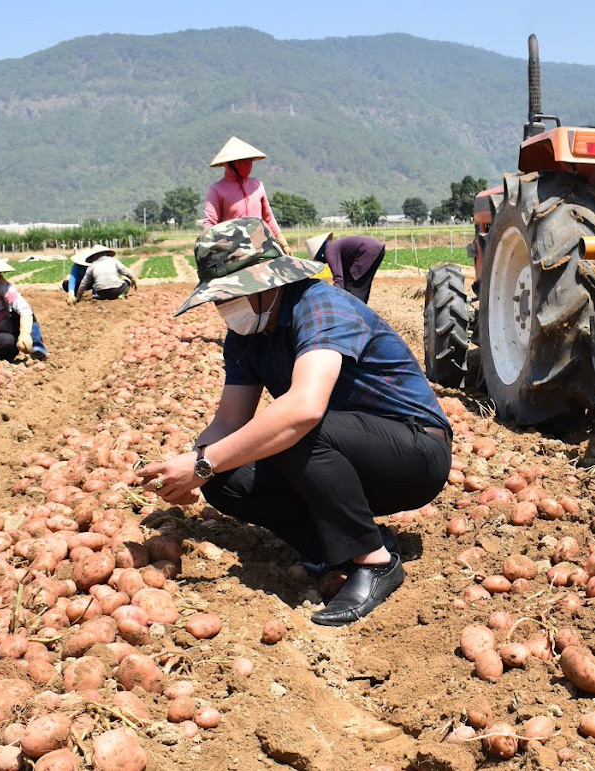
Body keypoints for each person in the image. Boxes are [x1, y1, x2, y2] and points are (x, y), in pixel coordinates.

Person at [137, 218, 451, 626]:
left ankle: (375, 563)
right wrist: (190, 468)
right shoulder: (246, 336)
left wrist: (202, 462)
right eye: (218, 299)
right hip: (341, 455)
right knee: (225, 477)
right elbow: (230, 420)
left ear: (267, 281)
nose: (222, 308)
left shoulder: (320, 306)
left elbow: (303, 409)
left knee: (292, 429)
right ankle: (341, 547)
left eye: (230, 295)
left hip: (414, 453)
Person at [203, 135, 292, 254]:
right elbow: (210, 223)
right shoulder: (217, 190)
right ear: (230, 164)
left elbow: (268, 217)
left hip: (261, 248)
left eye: (249, 161)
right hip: (233, 252)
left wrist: (283, 243)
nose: (248, 164)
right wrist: (207, 249)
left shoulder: (257, 185)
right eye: (243, 161)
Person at [307, 232, 387, 304]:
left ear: (319, 254)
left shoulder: (330, 251)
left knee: (355, 286)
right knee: (359, 285)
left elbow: (338, 277)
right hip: (375, 249)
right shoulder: (332, 246)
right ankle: (358, 310)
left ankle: (355, 312)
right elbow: (344, 273)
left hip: (368, 251)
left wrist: (334, 296)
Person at [71, 245, 137, 302]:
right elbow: (126, 271)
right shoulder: (113, 260)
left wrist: (78, 298)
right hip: (116, 291)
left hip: (101, 292)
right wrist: (134, 281)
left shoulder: (91, 266)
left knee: (96, 282)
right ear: (105, 253)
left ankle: (100, 296)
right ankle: (122, 295)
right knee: (127, 282)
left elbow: (84, 283)